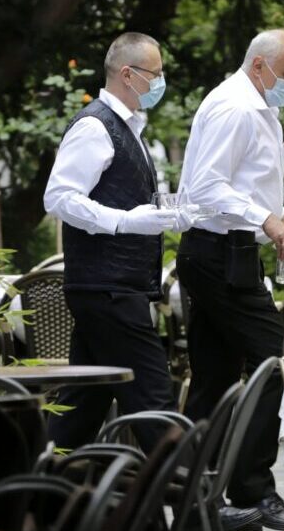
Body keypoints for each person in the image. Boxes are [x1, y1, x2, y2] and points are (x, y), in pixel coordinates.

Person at [175, 28, 284, 531]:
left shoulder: (255, 105)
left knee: (213, 376)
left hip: (223, 252)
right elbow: (207, 185)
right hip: (217, 253)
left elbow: (243, 183)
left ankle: (196, 494)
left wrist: (278, 215)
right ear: (259, 66)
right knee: (273, 362)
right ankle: (251, 487)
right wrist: (266, 219)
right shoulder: (236, 107)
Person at [43, 32, 188, 453]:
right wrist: (125, 222)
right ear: (128, 74)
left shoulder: (128, 128)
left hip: (108, 287)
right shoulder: (95, 126)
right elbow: (59, 197)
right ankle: (191, 511)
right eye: (155, 75)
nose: (160, 83)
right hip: (107, 289)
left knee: (82, 406)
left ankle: (36, 499)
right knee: (155, 402)